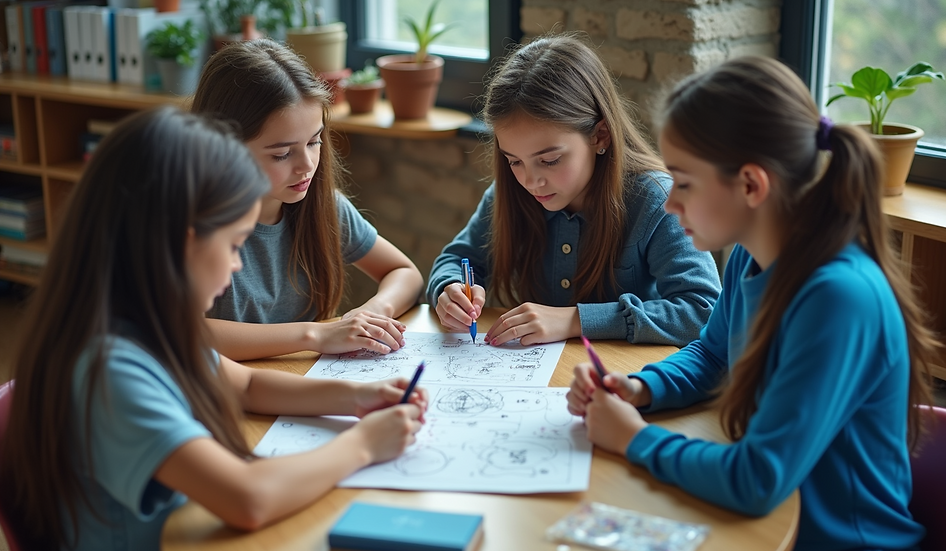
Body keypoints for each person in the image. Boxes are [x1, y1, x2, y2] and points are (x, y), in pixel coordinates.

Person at [0, 107, 426, 551]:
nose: (238, 263)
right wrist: (362, 445)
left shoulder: (149, 323)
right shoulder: (110, 370)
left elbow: (245, 386)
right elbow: (247, 498)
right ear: (182, 242)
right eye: (234, 244)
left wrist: (358, 397)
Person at [566, 56, 939, 551]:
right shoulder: (749, 255)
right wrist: (640, 388)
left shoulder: (839, 298)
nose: (670, 203)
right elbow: (714, 355)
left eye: (684, 182)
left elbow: (757, 480)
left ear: (750, 184)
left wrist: (633, 439)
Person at [427, 34, 720, 347]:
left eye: (550, 160)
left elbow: (703, 311)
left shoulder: (657, 200)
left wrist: (575, 320)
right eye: (514, 161)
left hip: (623, 379)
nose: (530, 181)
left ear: (600, 136)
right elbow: (457, 259)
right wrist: (450, 289)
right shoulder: (510, 192)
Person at [191, 39, 424, 361]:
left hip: (297, 383)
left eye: (314, 142)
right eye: (282, 153)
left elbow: (404, 272)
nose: (307, 166)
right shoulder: (188, 225)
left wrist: (372, 312)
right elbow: (183, 334)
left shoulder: (323, 206)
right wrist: (315, 335)